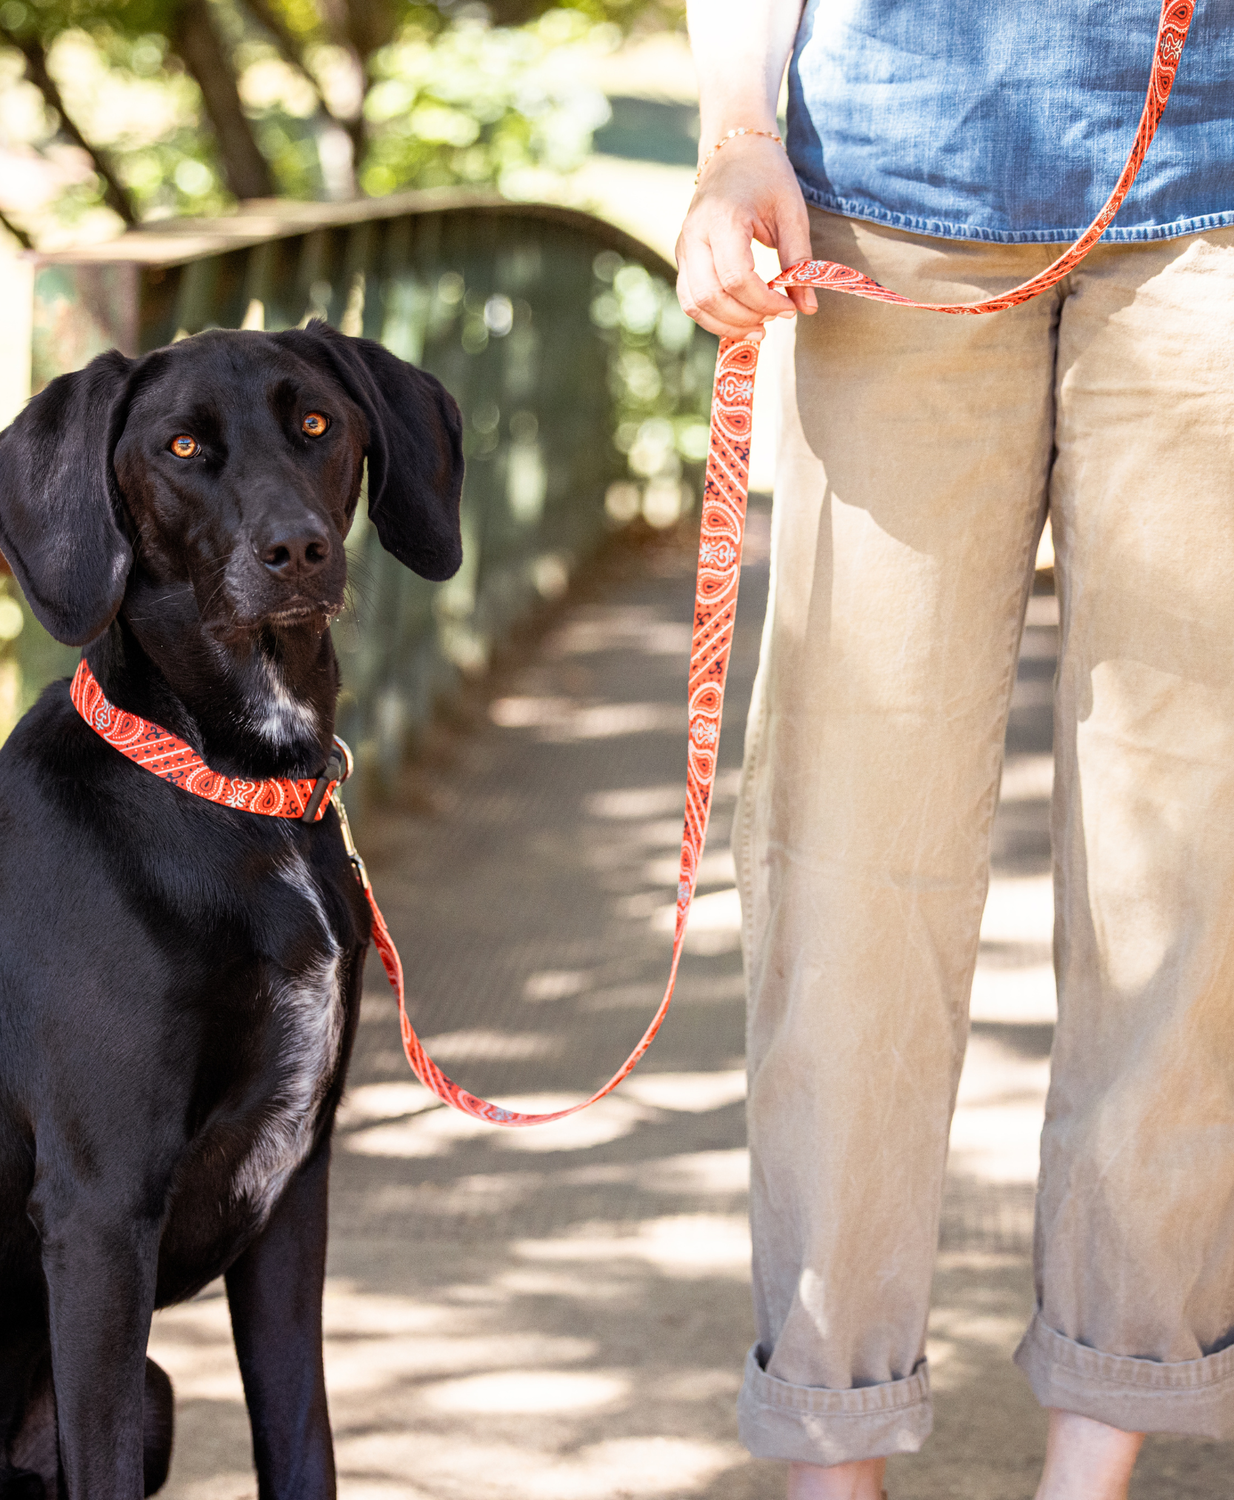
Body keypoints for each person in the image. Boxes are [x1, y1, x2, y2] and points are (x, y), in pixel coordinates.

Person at [675, 1, 1234, 1497]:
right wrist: (739, 136)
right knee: (850, 850)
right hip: (885, 182)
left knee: (1191, 847)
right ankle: (828, 1446)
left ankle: (1096, 1456)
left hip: (1220, 192)